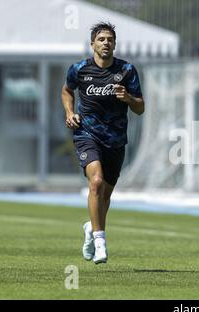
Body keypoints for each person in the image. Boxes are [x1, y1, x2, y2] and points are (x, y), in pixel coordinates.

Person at [61, 22, 145, 264]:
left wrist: (128, 98)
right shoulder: (79, 69)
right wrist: (69, 113)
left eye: (110, 39)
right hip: (86, 134)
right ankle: (100, 242)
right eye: (101, 39)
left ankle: (90, 228)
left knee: (105, 195)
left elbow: (140, 109)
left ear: (115, 44)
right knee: (95, 183)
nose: (106, 43)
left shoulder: (127, 71)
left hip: (116, 139)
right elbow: (67, 90)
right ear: (92, 44)